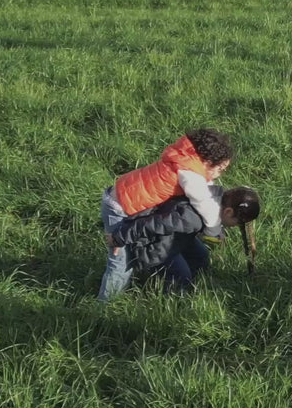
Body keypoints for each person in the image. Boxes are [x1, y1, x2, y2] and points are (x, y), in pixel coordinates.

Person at [98, 128, 234, 302]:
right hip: (120, 208)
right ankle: (105, 305)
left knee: (126, 256)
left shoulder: (185, 159)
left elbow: (205, 187)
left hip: (125, 195)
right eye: (221, 169)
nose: (220, 174)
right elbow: (203, 201)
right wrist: (214, 229)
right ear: (207, 162)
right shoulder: (189, 174)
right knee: (121, 262)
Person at [108, 186, 260, 295]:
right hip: (155, 247)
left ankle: (192, 286)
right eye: (237, 223)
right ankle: (173, 296)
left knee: (201, 256)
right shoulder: (191, 218)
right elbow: (155, 224)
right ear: (228, 211)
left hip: (177, 237)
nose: (236, 227)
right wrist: (120, 237)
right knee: (180, 276)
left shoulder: (213, 198)